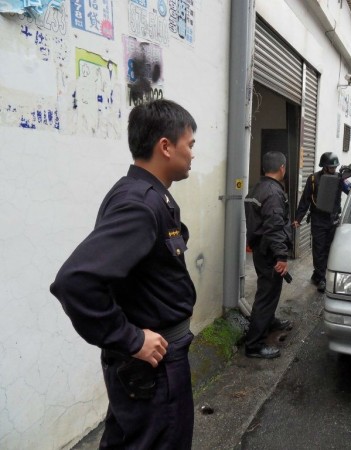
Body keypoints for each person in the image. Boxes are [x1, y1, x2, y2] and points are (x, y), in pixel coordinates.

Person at [49, 99, 198, 449]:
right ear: (165, 146)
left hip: (150, 364)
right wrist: (131, 340)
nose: (192, 155)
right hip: (154, 366)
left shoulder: (146, 195)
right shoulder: (139, 204)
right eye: (189, 145)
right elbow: (76, 282)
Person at [244, 151, 293, 359]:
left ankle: (270, 321)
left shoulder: (257, 187)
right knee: (266, 295)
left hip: (261, 249)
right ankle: (254, 345)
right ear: (282, 168)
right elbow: (274, 227)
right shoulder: (273, 193)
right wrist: (282, 256)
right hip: (270, 252)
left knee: (269, 292)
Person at [293, 152, 351, 293]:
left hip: (333, 219)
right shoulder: (313, 179)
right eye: (331, 167)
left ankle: (318, 274)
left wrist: (346, 177)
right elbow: (305, 199)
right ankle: (322, 279)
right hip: (318, 220)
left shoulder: (339, 178)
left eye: (335, 167)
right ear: (324, 166)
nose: (333, 169)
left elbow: (350, 190)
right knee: (318, 249)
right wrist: (298, 218)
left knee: (329, 249)